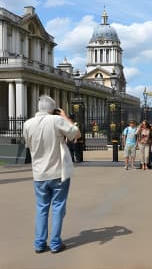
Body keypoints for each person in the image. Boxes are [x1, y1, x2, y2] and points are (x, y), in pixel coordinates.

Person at [23, 95, 81, 254]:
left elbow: (28, 145)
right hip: (57, 172)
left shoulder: (27, 124)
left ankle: (39, 243)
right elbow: (77, 134)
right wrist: (64, 117)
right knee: (58, 208)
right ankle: (55, 243)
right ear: (53, 109)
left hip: (39, 173)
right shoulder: (56, 120)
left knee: (41, 208)